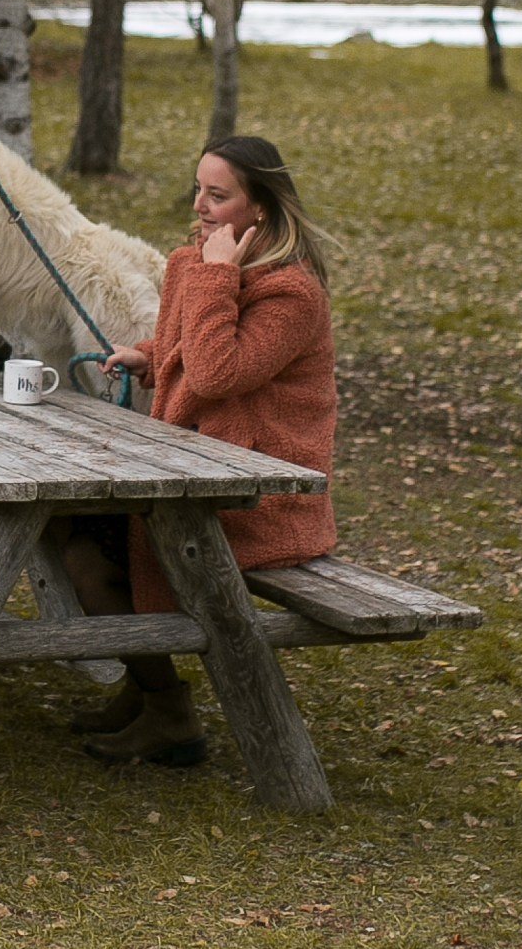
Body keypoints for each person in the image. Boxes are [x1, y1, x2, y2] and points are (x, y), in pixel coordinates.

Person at [64, 133, 337, 767]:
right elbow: (197, 349)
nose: (201, 207)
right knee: (70, 536)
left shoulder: (291, 296)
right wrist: (151, 357)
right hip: (198, 473)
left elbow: (218, 373)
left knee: (87, 550)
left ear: (260, 209)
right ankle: (147, 690)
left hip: (256, 501)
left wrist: (218, 276)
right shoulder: (199, 263)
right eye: (199, 190)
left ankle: (168, 711)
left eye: (219, 196)